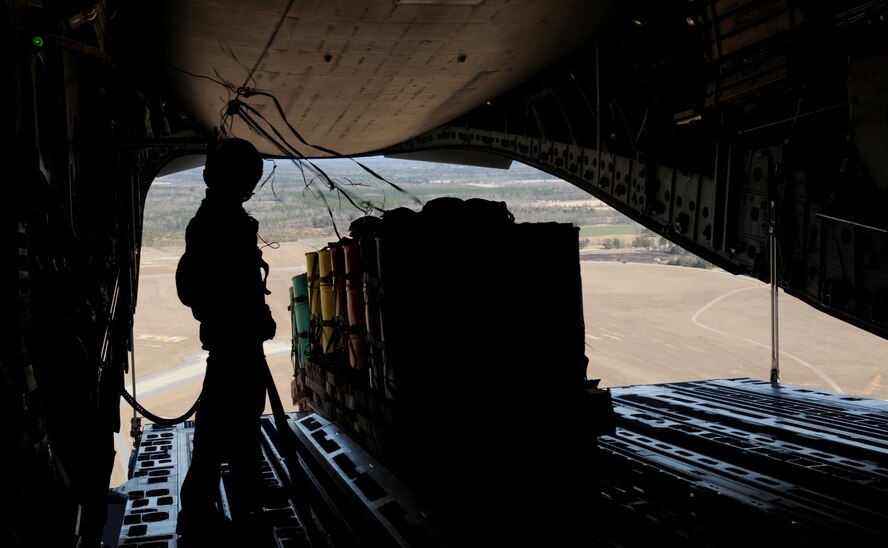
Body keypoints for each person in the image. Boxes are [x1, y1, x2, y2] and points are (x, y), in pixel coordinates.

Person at [174, 137, 277, 540]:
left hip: (235, 343)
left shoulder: (220, 221)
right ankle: (215, 513)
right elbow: (228, 290)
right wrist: (253, 320)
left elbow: (242, 287)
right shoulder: (221, 225)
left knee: (232, 430)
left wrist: (258, 317)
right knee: (226, 432)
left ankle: (231, 507)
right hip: (235, 345)